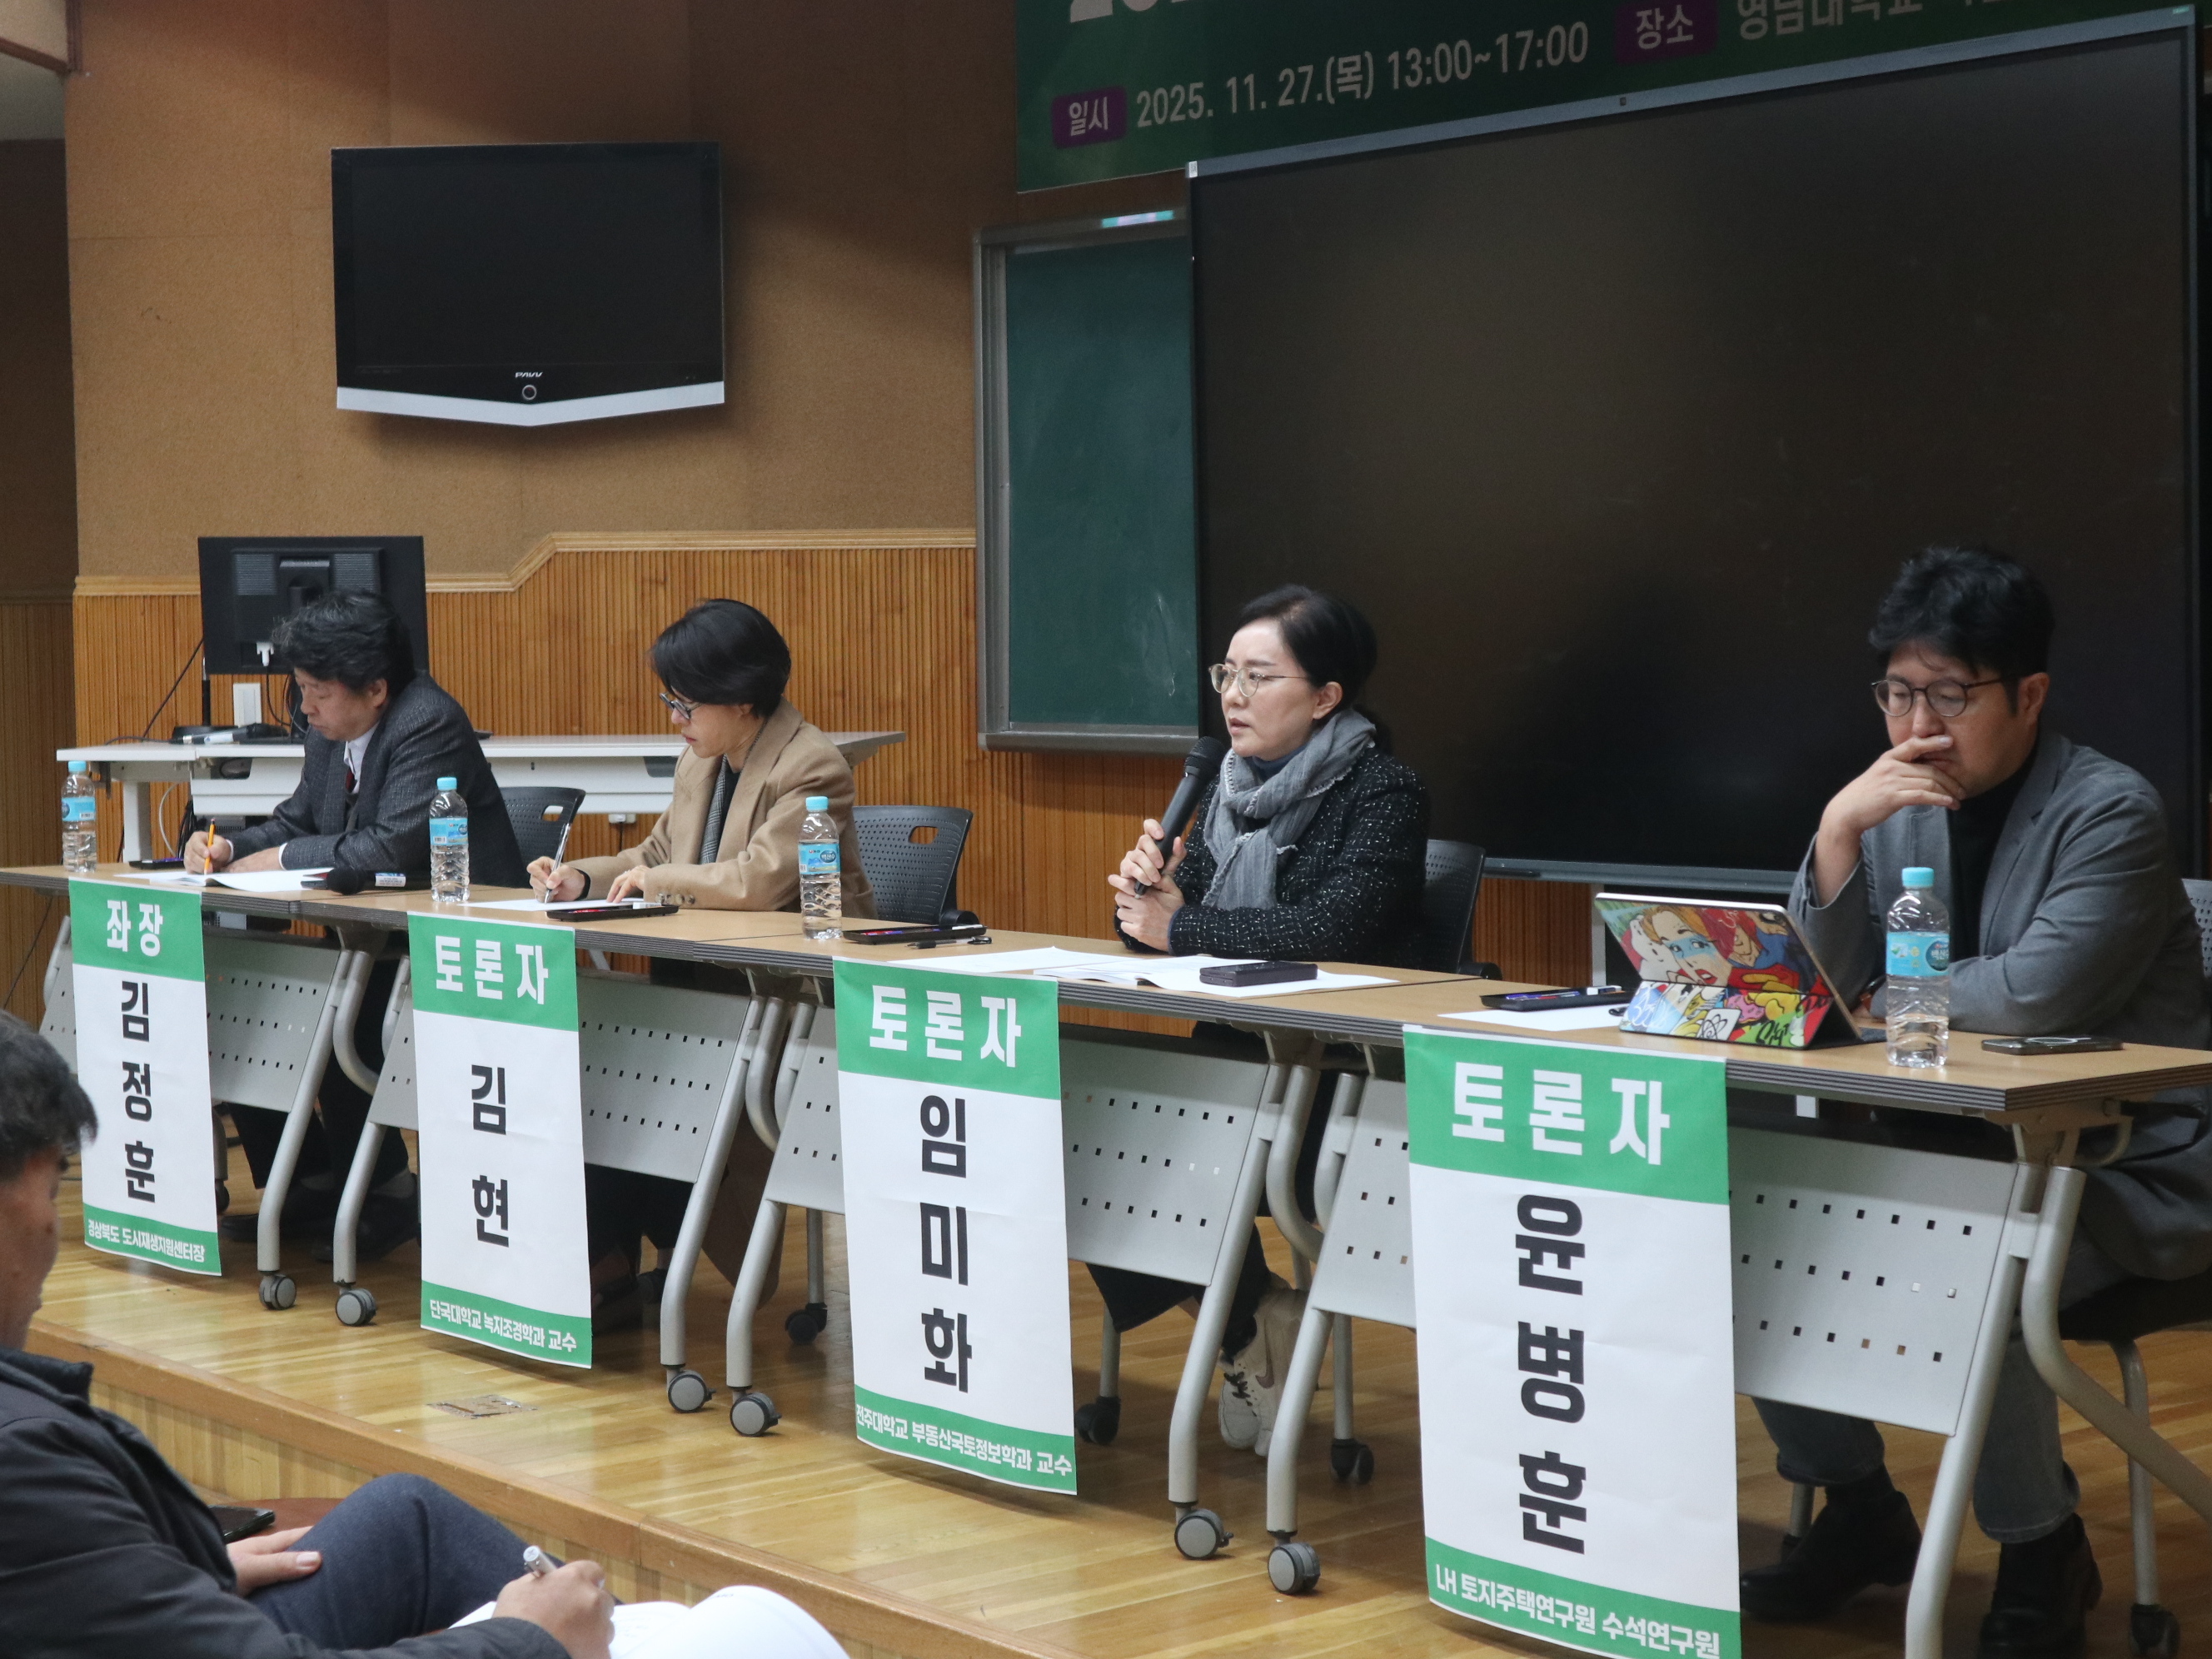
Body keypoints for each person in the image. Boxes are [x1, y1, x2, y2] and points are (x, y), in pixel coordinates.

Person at [1744, 547, 2210, 1659]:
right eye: (1898, 693)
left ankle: (2044, 1547)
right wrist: (1837, 834)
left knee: (1971, 1268)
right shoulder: (1892, 804)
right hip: (1941, 1147)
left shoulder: (2111, 812)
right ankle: (1860, 1508)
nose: (1919, 725)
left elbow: (2039, 992)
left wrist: (1882, 997)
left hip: (2115, 1165)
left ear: (2028, 694)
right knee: (1747, 1228)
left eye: (1950, 695)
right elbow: (1810, 987)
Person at [0, 1008, 610, 1659]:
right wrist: (524, 1641)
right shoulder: (23, 1463)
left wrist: (155, 1580)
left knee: (408, 1518)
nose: (54, 1228)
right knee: (556, 1613)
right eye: (55, 1187)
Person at [1102, 585, 1430, 1457]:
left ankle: (1247, 1324)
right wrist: (1144, 898)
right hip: (1238, 1054)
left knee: (1132, 1158)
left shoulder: (1384, 791)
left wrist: (1181, 927)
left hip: (1342, 1072)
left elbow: (1330, 933)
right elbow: (1168, 924)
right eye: (1226, 675)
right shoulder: (1225, 786)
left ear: (1326, 697)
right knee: (1096, 1142)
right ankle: (1253, 1324)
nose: (1233, 696)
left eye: (1259, 677)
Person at [527, 600, 875, 1327]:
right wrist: (580, 879)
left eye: (685, 704)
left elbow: (758, 881)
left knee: (642, 1077)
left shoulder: (812, 764)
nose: (674, 720)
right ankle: (611, 1260)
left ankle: (635, 1259)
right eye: (671, 701)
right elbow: (655, 855)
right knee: (603, 1068)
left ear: (742, 698)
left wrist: (653, 882)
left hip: (787, 1003)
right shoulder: (701, 759)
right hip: (701, 990)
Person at [185, 592, 526, 1262]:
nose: (304, 708)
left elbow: (387, 847)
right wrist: (227, 848)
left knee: (335, 1012)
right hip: (376, 938)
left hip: (455, 942)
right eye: (300, 689)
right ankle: (315, 1181)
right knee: (252, 999)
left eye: (318, 692)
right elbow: (296, 821)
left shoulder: (427, 721)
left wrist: (277, 858)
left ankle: (386, 1193)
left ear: (376, 689)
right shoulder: (330, 729)